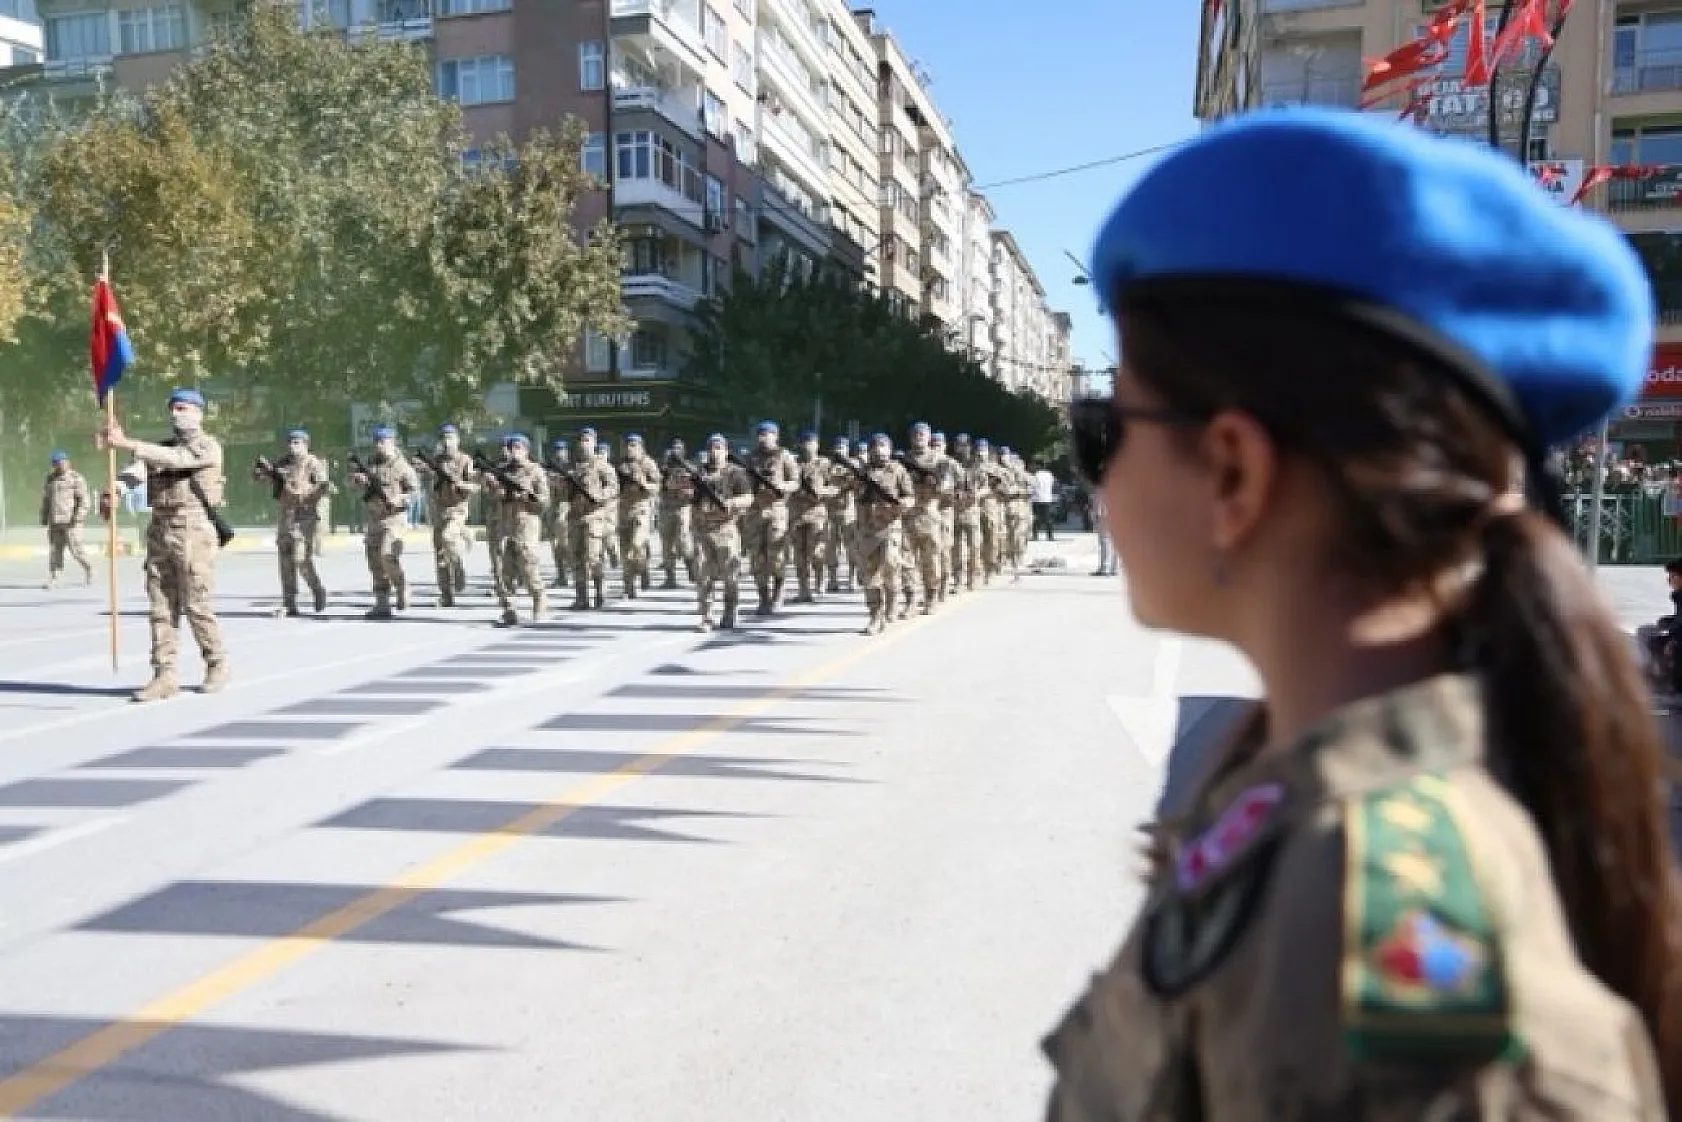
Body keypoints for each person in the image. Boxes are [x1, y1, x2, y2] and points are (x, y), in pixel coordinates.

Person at [1047, 109, 1680, 1119]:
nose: (1099, 480)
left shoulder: (1376, 944)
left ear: (1231, 471)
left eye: (1102, 429)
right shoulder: (1290, 801)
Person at [99, 387, 229, 702]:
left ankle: (216, 662)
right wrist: (115, 489)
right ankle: (164, 675)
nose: (176, 414)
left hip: (193, 531)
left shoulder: (207, 447)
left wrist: (128, 443)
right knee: (161, 607)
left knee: (196, 604)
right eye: (173, 408)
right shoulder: (159, 448)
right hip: (160, 530)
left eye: (183, 408)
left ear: (199, 413)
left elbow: (176, 460)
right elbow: (137, 472)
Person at [684, 433, 754, 632]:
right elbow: (681, 491)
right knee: (703, 575)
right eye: (711, 448)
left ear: (726, 451)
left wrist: (730, 502)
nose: (715, 452)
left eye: (719, 448)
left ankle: (730, 611)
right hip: (701, 531)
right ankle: (706, 616)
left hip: (725, 530)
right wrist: (684, 484)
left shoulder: (735, 473)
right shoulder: (699, 474)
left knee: (730, 575)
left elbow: (748, 497)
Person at [348, 425, 417, 620]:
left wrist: (400, 500)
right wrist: (358, 481)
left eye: (383, 442)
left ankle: (402, 585)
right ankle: (382, 603)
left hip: (394, 518)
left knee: (387, 554)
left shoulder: (403, 466)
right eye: (377, 442)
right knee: (374, 561)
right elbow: (354, 485)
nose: (379, 446)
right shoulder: (370, 463)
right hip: (374, 518)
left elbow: (414, 492)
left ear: (392, 442)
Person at [259, 429, 328, 616]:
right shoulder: (283, 462)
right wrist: (264, 473)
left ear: (306, 445)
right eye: (290, 443)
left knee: (300, 558)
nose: (293, 446)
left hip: (305, 516)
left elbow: (322, 487)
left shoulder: (313, 463)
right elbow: (262, 478)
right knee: (285, 560)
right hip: (286, 515)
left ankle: (317, 589)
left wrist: (305, 495)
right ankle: (289, 602)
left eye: (297, 443)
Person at [852, 432, 914, 635]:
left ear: (889, 448)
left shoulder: (898, 470)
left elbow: (909, 497)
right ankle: (874, 615)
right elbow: (849, 490)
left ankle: (892, 603)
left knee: (891, 567)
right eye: (875, 446)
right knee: (870, 575)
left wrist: (900, 505)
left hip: (891, 528)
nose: (879, 450)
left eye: (883, 446)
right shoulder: (862, 472)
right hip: (868, 529)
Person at [484, 433, 549, 626]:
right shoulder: (501, 471)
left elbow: (544, 501)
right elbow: (492, 496)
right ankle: (508, 608)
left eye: (519, 448)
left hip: (527, 524)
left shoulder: (535, 471)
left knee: (528, 566)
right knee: (504, 569)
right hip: (506, 524)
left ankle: (539, 598)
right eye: (512, 448)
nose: (514, 452)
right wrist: (494, 488)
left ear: (526, 451)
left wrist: (526, 496)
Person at [740, 420, 799, 615]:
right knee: (757, 556)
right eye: (762, 434)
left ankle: (779, 587)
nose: (765, 438)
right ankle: (763, 596)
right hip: (755, 511)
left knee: (776, 555)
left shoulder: (784, 456)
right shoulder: (749, 458)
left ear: (776, 436)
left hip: (776, 511)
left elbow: (795, 482)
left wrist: (782, 487)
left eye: (769, 434)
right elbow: (741, 483)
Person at [416, 423, 477, 607]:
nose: (447, 443)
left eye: (451, 438)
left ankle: (458, 568)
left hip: (458, 509)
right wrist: (424, 469)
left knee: (448, 537)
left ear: (458, 440)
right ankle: (446, 595)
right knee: (440, 554)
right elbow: (422, 474)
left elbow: (475, 486)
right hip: (438, 510)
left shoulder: (465, 460)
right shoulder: (436, 460)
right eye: (444, 439)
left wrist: (460, 484)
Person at [787, 429, 836, 603]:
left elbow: (835, 488)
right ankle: (803, 589)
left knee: (816, 552)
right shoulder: (793, 463)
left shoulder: (825, 464)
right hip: (796, 515)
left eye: (812, 443)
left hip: (817, 514)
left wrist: (821, 491)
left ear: (817, 445)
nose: (808, 446)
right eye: (805, 443)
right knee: (799, 555)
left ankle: (820, 578)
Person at [615, 434, 662, 599]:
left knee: (636, 545)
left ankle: (643, 568)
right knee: (625, 551)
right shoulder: (621, 464)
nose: (630, 448)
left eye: (634, 445)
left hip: (641, 509)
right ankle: (629, 586)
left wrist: (644, 484)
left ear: (641, 447)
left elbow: (657, 486)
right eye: (628, 445)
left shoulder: (648, 463)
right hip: (623, 511)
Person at [39, 451, 92, 589]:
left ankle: (89, 569)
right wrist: (44, 516)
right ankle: (55, 577)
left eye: (62, 462)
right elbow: (46, 500)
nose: (60, 466)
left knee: (76, 551)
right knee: (55, 550)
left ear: (68, 463)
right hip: (55, 521)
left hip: (71, 522)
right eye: (56, 463)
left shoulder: (76, 478)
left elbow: (84, 500)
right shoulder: (50, 479)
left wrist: (78, 517)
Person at [1636, 558, 1682, 694]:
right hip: (1676, 635)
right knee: (1645, 631)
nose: (1669, 580)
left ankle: (1655, 672)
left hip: (1678, 639)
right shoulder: (1679, 596)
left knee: (1647, 635)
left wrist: (1673, 641)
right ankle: (1654, 670)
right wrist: (1667, 621)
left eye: (1673, 576)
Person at [1032, 460, 1059, 541]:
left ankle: (1035, 536)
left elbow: (1033, 486)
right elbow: (1054, 485)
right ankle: (1050, 536)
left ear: (1038, 466)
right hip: (1047, 498)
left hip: (1037, 499)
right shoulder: (1050, 475)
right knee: (1048, 518)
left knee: (1036, 518)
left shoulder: (1035, 475)